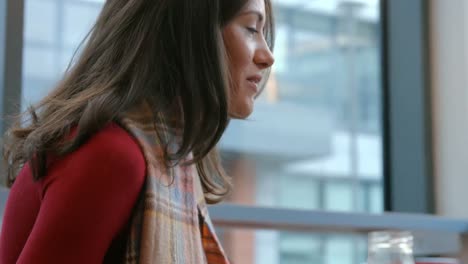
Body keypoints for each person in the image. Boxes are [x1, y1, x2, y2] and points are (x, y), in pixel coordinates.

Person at [0, 0, 275, 263]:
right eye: (251, 28)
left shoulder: (165, 152)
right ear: (188, 31)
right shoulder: (112, 155)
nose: (267, 56)